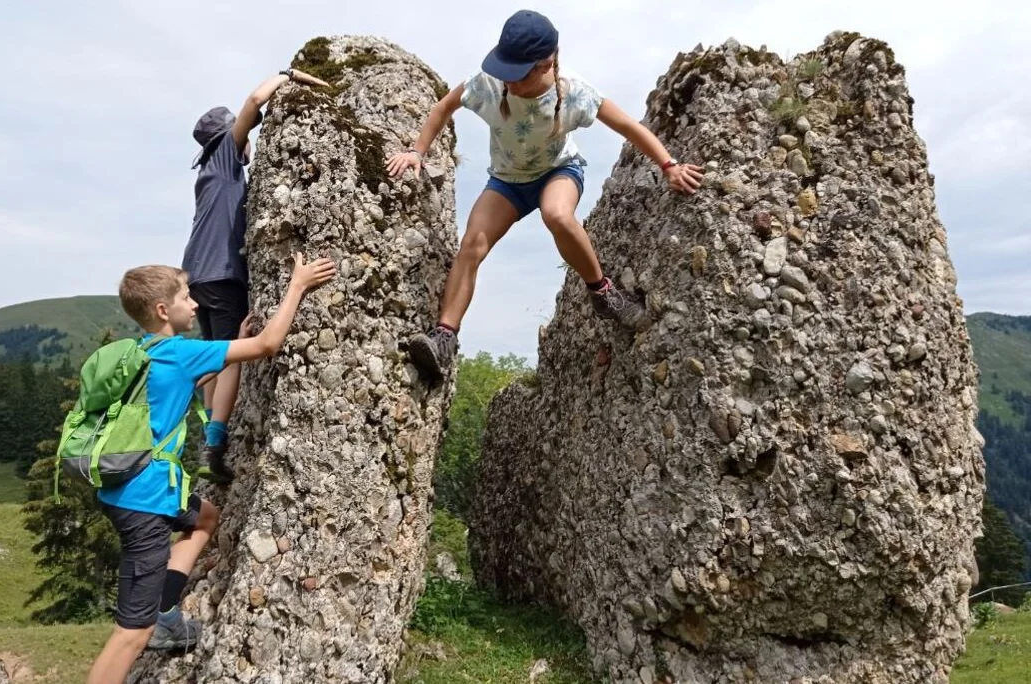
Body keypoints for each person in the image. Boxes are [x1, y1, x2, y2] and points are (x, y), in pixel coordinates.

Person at [386, 9, 704, 384]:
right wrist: (417, 152)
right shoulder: (487, 84)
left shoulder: (574, 94)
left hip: (559, 171)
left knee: (556, 214)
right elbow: (443, 108)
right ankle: (443, 338)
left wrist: (669, 166)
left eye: (517, 73)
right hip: (506, 181)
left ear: (546, 63)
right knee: (472, 243)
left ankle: (603, 293)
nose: (508, 81)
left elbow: (629, 127)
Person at [86, 254, 336, 684]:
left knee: (205, 518)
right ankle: (152, 625)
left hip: (129, 490)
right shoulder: (179, 353)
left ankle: (165, 612)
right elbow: (268, 346)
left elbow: (202, 379)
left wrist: (230, 351)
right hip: (143, 503)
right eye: (186, 297)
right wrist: (297, 285)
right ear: (164, 310)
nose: (195, 304)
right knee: (131, 633)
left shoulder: (145, 354)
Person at [183, 67, 330, 481]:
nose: (248, 141)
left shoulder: (210, 170)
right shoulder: (226, 154)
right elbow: (252, 102)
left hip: (197, 274)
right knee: (231, 357)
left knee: (212, 353)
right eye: (243, 135)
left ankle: (203, 439)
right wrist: (287, 75)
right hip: (222, 274)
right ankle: (214, 444)